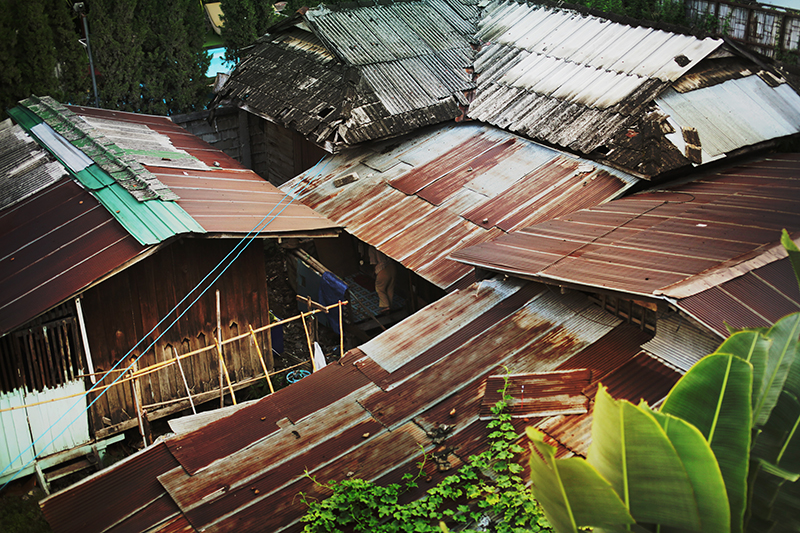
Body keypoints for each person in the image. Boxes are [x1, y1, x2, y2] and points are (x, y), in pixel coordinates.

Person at [369, 247, 395, 315]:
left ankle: (386, 306)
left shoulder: (371, 248)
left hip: (382, 269)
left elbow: (373, 262)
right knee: (390, 288)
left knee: (380, 288)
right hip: (392, 267)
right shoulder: (384, 245)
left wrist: (374, 272)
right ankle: (390, 306)